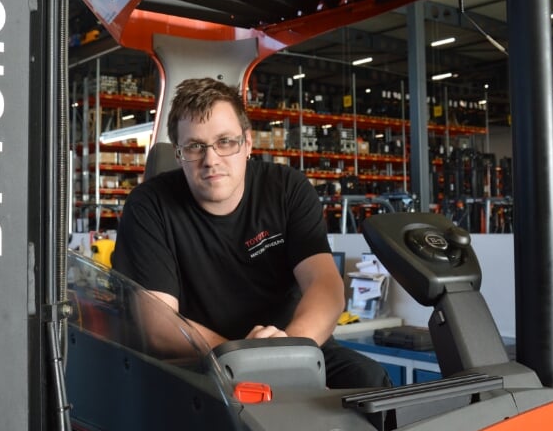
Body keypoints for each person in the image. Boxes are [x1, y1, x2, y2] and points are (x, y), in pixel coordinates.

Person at [112, 77, 391, 390]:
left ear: (247, 143)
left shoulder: (287, 189)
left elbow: (326, 285)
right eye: (194, 147)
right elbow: (159, 327)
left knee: (367, 380)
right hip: (205, 360)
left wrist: (287, 350)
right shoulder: (149, 206)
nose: (211, 160)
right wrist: (245, 358)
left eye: (225, 142)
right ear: (178, 154)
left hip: (292, 345)